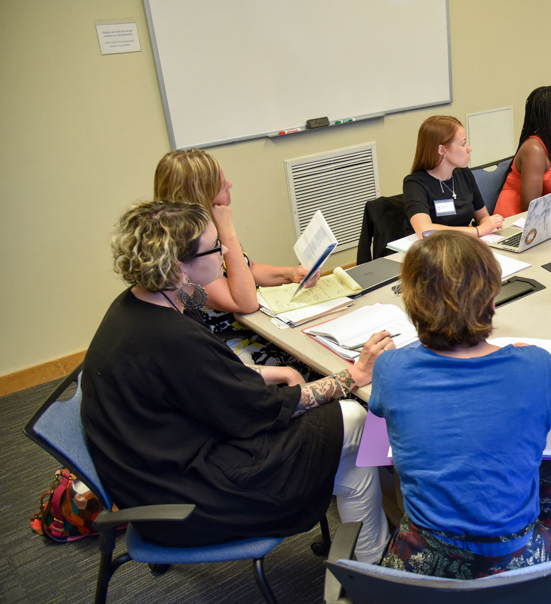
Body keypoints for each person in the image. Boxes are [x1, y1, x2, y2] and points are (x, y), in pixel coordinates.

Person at [81, 201, 391, 563]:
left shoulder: (140, 307)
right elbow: (258, 410)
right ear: (179, 267)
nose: (226, 251)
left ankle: (371, 560)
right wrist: (351, 375)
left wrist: (276, 373)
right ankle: (394, 531)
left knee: (354, 468)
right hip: (189, 499)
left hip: (159, 469)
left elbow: (210, 378)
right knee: (356, 417)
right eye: (215, 248)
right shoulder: (170, 338)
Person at [369, 231, 551, 578]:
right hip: (517, 557)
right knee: (548, 491)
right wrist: (530, 359)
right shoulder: (538, 365)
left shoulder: (390, 369)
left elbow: (380, 408)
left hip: (424, 561)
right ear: (492, 301)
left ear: (412, 305)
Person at [154, 150, 316, 371]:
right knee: (311, 365)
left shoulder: (208, 231)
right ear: (203, 194)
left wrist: (289, 274)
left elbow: (249, 270)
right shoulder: (190, 253)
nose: (230, 184)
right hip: (230, 344)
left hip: (255, 328)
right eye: (221, 184)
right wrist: (228, 231)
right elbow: (244, 303)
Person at [402, 115, 504, 237]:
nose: (469, 148)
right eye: (463, 144)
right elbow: (425, 231)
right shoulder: (415, 184)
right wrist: (477, 231)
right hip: (432, 251)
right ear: (442, 150)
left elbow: (483, 218)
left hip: (464, 245)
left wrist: (488, 225)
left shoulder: (464, 174)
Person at [493, 86, 551, 217]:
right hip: (516, 222)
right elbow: (530, 207)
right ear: (549, 117)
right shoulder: (534, 149)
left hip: (550, 217)